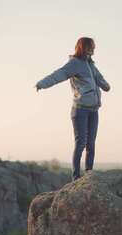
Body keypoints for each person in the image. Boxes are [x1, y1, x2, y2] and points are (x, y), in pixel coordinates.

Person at [34, 37, 111, 181]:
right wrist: (42, 83)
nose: (94, 49)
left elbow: (101, 80)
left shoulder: (91, 65)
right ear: (84, 47)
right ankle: (76, 178)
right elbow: (58, 75)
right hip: (80, 110)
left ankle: (88, 175)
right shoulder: (74, 64)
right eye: (91, 46)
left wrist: (105, 85)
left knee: (91, 144)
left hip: (93, 110)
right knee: (81, 143)